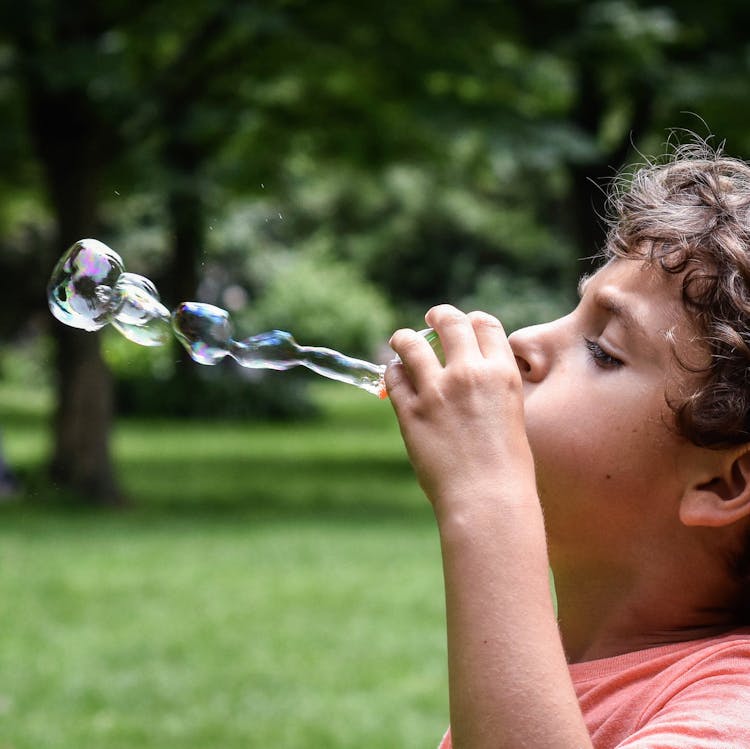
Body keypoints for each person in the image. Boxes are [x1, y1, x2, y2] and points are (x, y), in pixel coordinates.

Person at [385, 138, 750, 748]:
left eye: (603, 350)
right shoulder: (537, 690)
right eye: (573, 311)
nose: (525, 341)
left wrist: (487, 498)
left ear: (723, 481)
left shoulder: (732, 712)